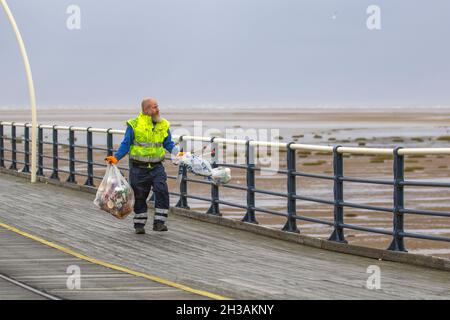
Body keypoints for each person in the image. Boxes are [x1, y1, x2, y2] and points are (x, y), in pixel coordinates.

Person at [105, 98, 180, 234]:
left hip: (157, 167)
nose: (158, 110)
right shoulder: (134, 125)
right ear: (146, 110)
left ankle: (159, 223)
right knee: (139, 196)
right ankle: (139, 224)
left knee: (162, 191)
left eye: (157, 106)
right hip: (138, 168)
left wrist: (178, 153)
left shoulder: (163, 124)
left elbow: (168, 143)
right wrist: (115, 158)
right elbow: (125, 144)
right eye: (154, 107)